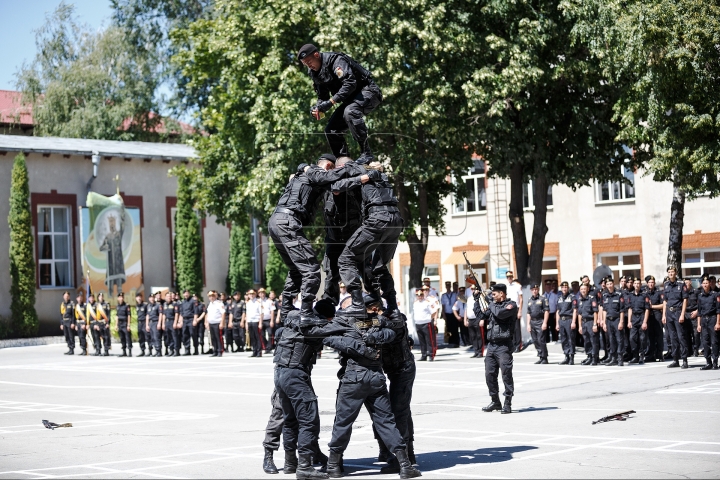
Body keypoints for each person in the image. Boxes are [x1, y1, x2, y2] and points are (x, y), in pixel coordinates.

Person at [320, 298, 421, 479]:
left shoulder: (348, 323)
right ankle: (404, 465)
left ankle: (334, 464)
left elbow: (325, 335)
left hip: (354, 378)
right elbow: (390, 330)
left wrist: (356, 343)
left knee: (343, 421)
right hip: (376, 377)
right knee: (386, 422)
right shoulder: (376, 323)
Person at [268, 154, 354, 322]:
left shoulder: (303, 174)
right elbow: (330, 179)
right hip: (288, 222)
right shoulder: (315, 172)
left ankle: (286, 309)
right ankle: (306, 312)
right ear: (329, 166)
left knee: (296, 269)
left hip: (275, 222)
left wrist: (302, 166)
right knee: (311, 270)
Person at [272, 300, 345, 480]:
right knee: (308, 420)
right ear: (328, 317)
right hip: (295, 375)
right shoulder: (315, 324)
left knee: (290, 420)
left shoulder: (296, 319)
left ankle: (290, 463)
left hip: (280, 372)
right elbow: (334, 335)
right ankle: (304, 466)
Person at [331, 161, 401, 318]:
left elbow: (336, 187)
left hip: (378, 219)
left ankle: (356, 303)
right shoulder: (383, 178)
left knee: (345, 259)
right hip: (396, 221)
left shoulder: (363, 174)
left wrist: (360, 178)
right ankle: (393, 307)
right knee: (380, 267)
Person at [298, 44, 382, 163]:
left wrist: (331, 102)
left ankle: (366, 154)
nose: (309, 65)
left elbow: (350, 83)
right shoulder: (313, 72)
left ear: (316, 55)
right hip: (350, 100)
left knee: (350, 112)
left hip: (368, 92)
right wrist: (318, 107)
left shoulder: (336, 60)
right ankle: (343, 161)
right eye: (305, 64)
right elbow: (323, 96)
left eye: (309, 61)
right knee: (331, 129)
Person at [373, 310, 417, 471]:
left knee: (400, 412)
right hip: (392, 370)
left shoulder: (393, 317)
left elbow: (392, 326)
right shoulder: (381, 319)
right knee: (386, 410)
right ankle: (388, 451)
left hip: (403, 369)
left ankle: (404, 456)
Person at [320, 157, 363, 306]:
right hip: (334, 238)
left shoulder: (356, 183)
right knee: (331, 274)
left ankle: (368, 302)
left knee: (364, 269)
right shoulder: (328, 182)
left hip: (353, 237)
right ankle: (329, 307)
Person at [477, 284, 517, 414]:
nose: (492, 296)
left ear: (502, 294)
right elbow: (481, 315)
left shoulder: (510, 305)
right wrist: (477, 299)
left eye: (494, 294)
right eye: (491, 294)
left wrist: (489, 301)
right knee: (489, 374)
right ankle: (495, 401)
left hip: (504, 346)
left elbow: (499, 314)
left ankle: (507, 403)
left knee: (506, 374)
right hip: (492, 346)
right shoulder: (493, 306)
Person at [663, 266, 689, 369]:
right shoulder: (666, 285)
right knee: (672, 337)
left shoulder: (681, 285)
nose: (670, 273)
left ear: (676, 273)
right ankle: (675, 359)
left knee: (681, 336)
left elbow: (685, 300)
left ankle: (685, 360)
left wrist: (682, 314)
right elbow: (665, 301)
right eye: (669, 272)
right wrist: (664, 315)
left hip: (678, 312)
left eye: (672, 272)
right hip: (669, 313)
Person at [599, 277, 626, 367]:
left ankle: (620, 358)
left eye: (611, 284)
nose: (609, 286)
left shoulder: (619, 294)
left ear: (613, 284)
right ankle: (613, 358)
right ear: (605, 285)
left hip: (617, 319)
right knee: (611, 340)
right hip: (608, 320)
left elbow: (622, 310)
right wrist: (604, 322)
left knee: (619, 339)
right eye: (607, 284)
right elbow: (604, 310)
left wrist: (621, 322)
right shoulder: (604, 295)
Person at [696, 276, 720, 370]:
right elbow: (699, 311)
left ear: (710, 284)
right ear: (702, 284)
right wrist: (698, 324)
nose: (705, 285)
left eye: (707, 283)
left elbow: (718, 310)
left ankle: (715, 362)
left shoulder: (715, 295)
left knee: (714, 342)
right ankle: (708, 362)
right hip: (703, 321)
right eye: (704, 283)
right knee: (705, 342)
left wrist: (718, 323)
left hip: (712, 319)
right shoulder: (700, 296)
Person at [626, 278, 650, 364]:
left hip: (641, 316)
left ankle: (641, 356)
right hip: (633, 318)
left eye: (638, 283)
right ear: (633, 285)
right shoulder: (630, 295)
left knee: (642, 338)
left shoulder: (644, 295)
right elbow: (629, 309)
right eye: (635, 283)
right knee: (632, 338)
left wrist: (644, 322)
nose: (636, 285)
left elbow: (647, 309)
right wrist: (629, 321)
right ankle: (635, 356)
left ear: (640, 285)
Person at [575, 284, 599, 365]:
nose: (583, 291)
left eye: (584, 289)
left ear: (588, 289)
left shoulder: (592, 299)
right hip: (583, 322)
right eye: (581, 289)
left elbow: (595, 312)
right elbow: (579, 314)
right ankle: (589, 356)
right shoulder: (580, 300)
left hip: (590, 321)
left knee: (593, 341)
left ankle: (594, 358)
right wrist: (580, 326)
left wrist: (595, 324)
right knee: (586, 341)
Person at [526, 284, 549, 364]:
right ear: (531, 290)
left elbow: (546, 311)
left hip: (540, 321)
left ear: (538, 290)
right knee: (535, 340)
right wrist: (528, 324)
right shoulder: (530, 300)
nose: (534, 291)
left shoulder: (543, 299)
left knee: (541, 340)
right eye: (533, 289)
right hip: (532, 322)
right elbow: (528, 313)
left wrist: (545, 323)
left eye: (536, 289)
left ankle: (544, 357)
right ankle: (540, 355)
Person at [413, 289, 436, 361]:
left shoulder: (427, 303)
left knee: (429, 340)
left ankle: (431, 355)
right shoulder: (415, 303)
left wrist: (429, 319)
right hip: (418, 323)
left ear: (423, 295)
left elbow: (433, 312)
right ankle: (424, 355)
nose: (419, 297)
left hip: (426, 323)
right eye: (418, 295)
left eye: (421, 295)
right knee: (421, 340)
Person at [645, 276, 665, 362]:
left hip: (657, 315)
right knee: (650, 337)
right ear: (647, 283)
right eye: (649, 282)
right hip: (648, 316)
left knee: (659, 336)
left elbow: (663, 305)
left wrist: (652, 306)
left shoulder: (659, 292)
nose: (651, 284)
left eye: (652, 282)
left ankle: (659, 354)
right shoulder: (644, 292)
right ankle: (650, 355)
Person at [556, 281, 575, 365]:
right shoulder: (559, 298)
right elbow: (558, 311)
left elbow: (575, 310)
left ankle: (571, 357)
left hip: (569, 319)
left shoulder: (572, 297)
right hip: (561, 320)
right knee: (563, 339)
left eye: (566, 287)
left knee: (570, 339)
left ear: (568, 288)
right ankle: (566, 356)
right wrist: (557, 323)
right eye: (563, 287)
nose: (564, 289)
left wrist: (573, 322)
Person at [504, 271, 524, 352]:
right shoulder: (506, 287)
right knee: (510, 328)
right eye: (508, 277)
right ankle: (512, 344)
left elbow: (521, 299)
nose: (509, 278)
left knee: (516, 328)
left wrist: (520, 311)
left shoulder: (517, 286)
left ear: (512, 277)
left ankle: (518, 345)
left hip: (516, 308)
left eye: (510, 276)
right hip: (508, 309)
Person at [463, 285, 483, 358]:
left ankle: (480, 351)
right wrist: (465, 319)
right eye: (471, 289)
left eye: (474, 288)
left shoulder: (480, 298)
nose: (473, 290)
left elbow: (483, 309)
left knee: (479, 336)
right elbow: (466, 309)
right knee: (473, 336)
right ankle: (476, 351)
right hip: (470, 319)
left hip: (477, 318)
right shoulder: (469, 298)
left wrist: (482, 319)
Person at [205, 290, 226, 357]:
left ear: (216, 296)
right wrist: (207, 322)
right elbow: (208, 314)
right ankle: (215, 350)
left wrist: (222, 323)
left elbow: (223, 313)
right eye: (210, 296)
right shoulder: (210, 304)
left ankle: (220, 350)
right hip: (211, 323)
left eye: (213, 296)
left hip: (217, 322)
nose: (211, 297)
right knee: (213, 338)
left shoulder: (219, 303)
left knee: (218, 337)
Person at [684, 278, 700, 357]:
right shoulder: (683, 292)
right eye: (685, 283)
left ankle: (696, 349)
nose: (686, 284)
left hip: (694, 313)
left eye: (687, 282)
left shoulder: (696, 292)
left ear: (690, 282)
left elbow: (701, 303)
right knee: (686, 333)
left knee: (695, 334)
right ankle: (689, 350)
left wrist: (697, 311)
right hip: (686, 313)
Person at [246, 289, 264, 357]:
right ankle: (254, 351)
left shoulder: (258, 302)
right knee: (252, 337)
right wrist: (246, 323)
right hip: (250, 321)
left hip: (256, 321)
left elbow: (261, 313)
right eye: (250, 294)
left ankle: (259, 352)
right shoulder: (248, 303)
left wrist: (260, 323)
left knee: (258, 337)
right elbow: (247, 314)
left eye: (253, 294)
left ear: (255, 294)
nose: (251, 295)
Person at [441, 281, 459, 347]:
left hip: (454, 313)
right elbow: (443, 306)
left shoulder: (454, 294)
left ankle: (456, 341)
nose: (448, 287)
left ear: (450, 287)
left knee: (455, 328)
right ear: (446, 287)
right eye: (447, 286)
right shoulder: (443, 295)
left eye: (449, 286)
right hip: (447, 313)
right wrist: (444, 315)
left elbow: (457, 303)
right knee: (449, 328)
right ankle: (450, 341)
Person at [179, 290, 196, 356]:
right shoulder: (183, 302)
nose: (186, 294)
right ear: (183, 295)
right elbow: (181, 313)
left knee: (193, 334)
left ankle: (196, 349)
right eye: (184, 293)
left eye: (187, 293)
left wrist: (195, 320)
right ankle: (187, 350)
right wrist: (180, 322)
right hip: (185, 320)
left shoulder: (193, 301)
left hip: (191, 319)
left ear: (189, 293)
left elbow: (195, 312)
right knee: (185, 335)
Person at [160, 292, 178, 356]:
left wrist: (175, 322)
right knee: (168, 337)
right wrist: (163, 323)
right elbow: (164, 314)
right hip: (166, 322)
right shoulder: (164, 304)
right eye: (167, 296)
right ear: (165, 297)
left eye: (170, 296)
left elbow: (176, 314)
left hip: (172, 321)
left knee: (174, 336)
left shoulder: (174, 304)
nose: (169, 297)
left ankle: (176, 350)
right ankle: (171, 350)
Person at [260, 288, 275, 353]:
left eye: (263, 293)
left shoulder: (269, 301)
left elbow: (272, 311)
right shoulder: (258, 301)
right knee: (262, 335)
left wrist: (272, 320)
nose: (262, 294)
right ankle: (266, 346)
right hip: (261, 320)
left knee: (270, 334)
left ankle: (269, 347)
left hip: (268, 320)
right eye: (260, 293)